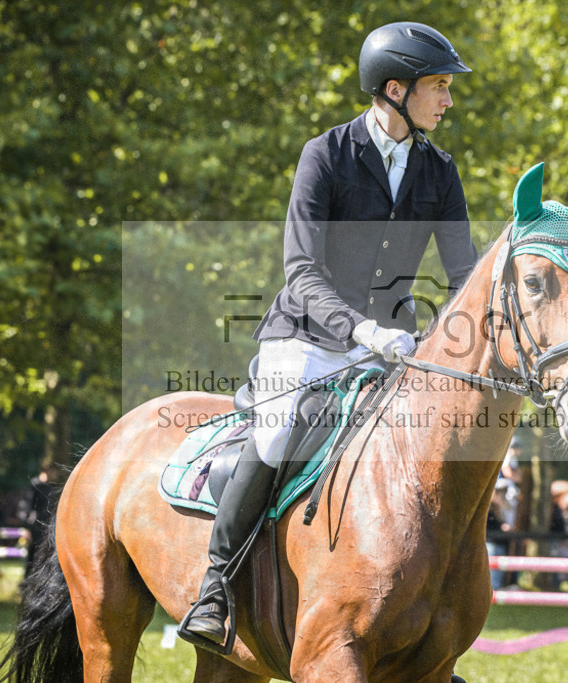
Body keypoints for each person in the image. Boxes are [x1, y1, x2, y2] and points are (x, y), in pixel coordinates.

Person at [182, 21, 477, 644]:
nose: (448, 101)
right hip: (307, 338)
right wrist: (363, 330)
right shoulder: (327, 154)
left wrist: (447, 341)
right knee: (279, 431)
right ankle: (215, 588)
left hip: (396, 351)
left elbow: (464, 275)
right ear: (395, 89)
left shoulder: (439, 172)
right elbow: (302, 270)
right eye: (440, 87)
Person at [24, 463, 60, 577]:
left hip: (47, 525)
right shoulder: (35, 485)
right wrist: (27, 528)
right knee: (33, 556)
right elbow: (28, 506)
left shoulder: (50, 487)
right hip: (35, 526)